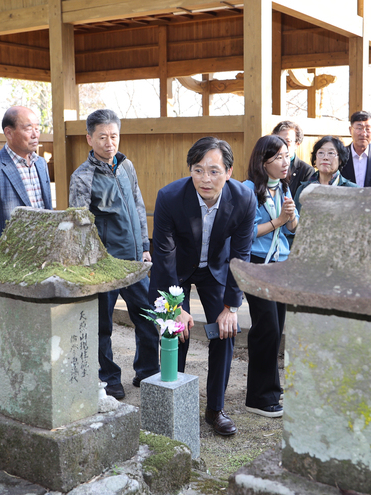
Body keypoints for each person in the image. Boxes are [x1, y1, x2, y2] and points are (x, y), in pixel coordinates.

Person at [149, 136, 256, 436]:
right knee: (175, 332)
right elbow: (164, 255)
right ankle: (175, 402)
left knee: (225, 332)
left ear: (229, 172)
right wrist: (176, 308)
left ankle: (215, 409)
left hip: (216, 270)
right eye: (197, 170)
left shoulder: (244, 199)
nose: (205, 179)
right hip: (176, 271)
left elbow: (241, 254)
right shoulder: (170, 197)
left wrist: (231, 307)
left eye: (213, 171)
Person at [68, 109, 159, 400]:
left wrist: (145, 247)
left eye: (114, 136)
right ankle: (108, 377)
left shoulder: (126, 166)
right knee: (101, 326)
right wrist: (90, 264)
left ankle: (147, 370)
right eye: (103, 137)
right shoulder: (82, 177)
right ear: (89, 138)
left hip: (134, 262)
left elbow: (138, 204)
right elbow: (79, 225)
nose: (110, 143)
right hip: (104, 265)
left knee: (147, 318)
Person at [241, 135, 299, 418]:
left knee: (276, 330)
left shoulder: (284, 187)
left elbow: (292, 229)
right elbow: (247, 233)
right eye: (278, 157)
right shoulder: (247, 189)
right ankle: (259, 397)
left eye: (287, 155)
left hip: (281, 265)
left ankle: (269, 392)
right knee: (267, 329)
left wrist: (290, 217)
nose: (285, 162)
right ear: (263, 162)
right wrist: (277, 221)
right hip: (257, 265)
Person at [0, 106, 52, 255]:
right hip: (12, 258)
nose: (35, 135)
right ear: (8, 132)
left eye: (38, 128)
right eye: (29, 129)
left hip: (44, 254)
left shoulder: (41, 164)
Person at [294, 136, 357, 210]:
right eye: (321, 152)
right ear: (315, 159)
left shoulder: (353, 190)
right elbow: (295, 219)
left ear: (340, 160)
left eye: (331, 153)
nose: (325, 157)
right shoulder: (303, 189)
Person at [272, 121, 315, 198]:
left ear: (297, 144)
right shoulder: (267, 165)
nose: (282, 145)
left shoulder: (306, 171)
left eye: (287, 141)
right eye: (279, 140)